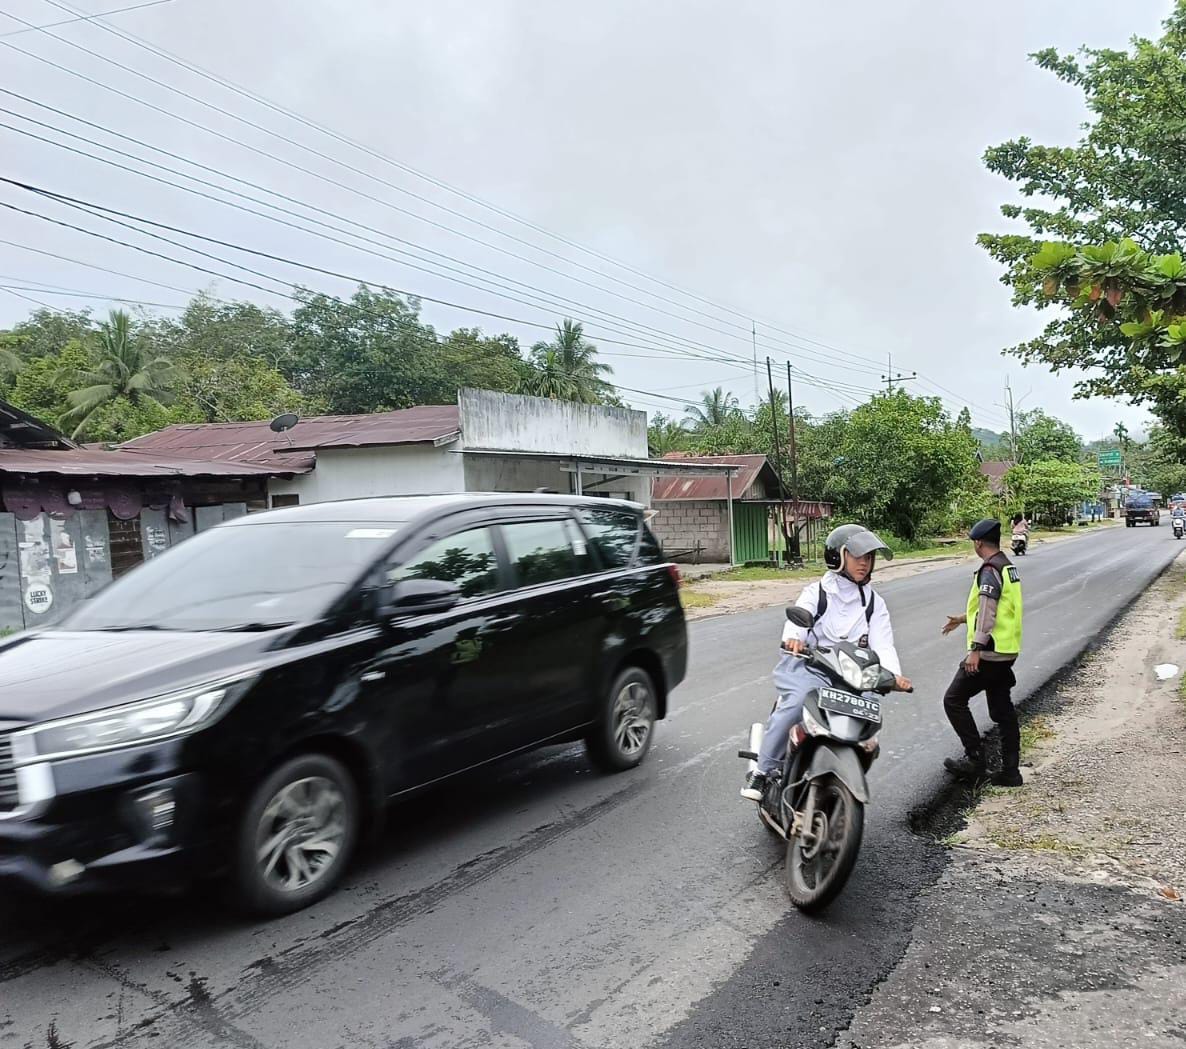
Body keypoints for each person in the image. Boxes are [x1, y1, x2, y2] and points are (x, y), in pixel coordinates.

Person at [741, 524, 912, 801]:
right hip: (810, 667)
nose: (864, 563)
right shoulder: (816, 592)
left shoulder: (873, 603)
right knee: (795, 704)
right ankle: (763, 771)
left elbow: (883, 644)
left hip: (851, 676)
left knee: (867, 726)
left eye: (869, 558)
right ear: (838, 557)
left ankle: (842, 774)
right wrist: (795, 639)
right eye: (858, 556)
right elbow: (798, 619)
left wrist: (894, 675)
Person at [939, 518, 1024, 787]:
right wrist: (964, 618)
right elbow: (998, 608)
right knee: (1002, 710)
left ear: (978, 543)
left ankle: (975, 759)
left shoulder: (989, 569)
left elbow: (988, 610)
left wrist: (975, 649)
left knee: (953, 699)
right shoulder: (1007, 566)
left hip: (988, 652)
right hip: (1007, 650)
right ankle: (1011, 771)